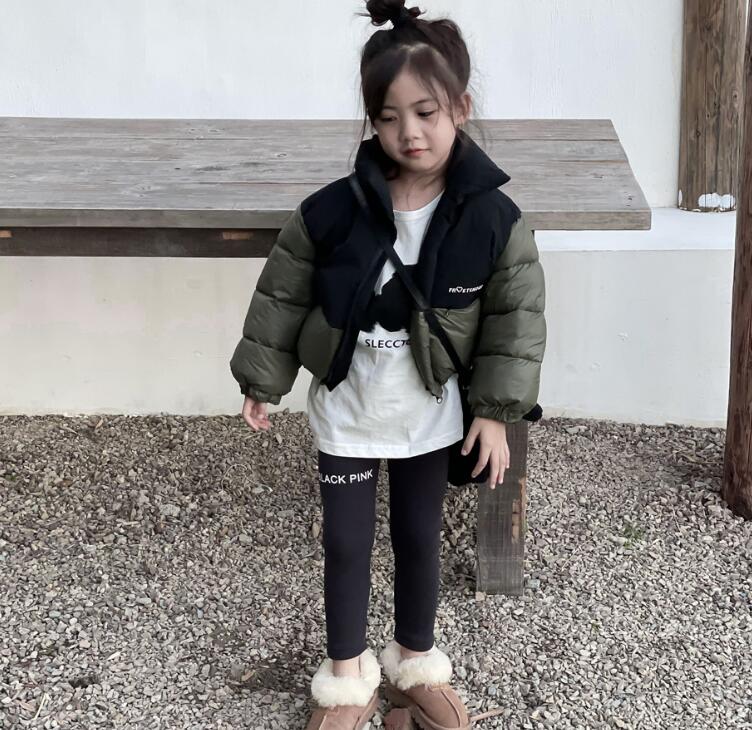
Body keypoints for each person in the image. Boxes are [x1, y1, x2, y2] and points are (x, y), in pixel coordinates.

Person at [229, 1, 547, 727]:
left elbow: (516, 321)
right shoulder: (331, 211)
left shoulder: (494, 220)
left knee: (418, 537)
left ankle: (412, 664)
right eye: (389, 116)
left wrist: (495, 413)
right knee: (345, 543)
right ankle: (346, 678)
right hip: (349, 409)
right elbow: (284, 289)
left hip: (429, 415)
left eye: (427, 112)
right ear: (371, 121)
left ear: (460, 108)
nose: (410, 132)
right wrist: (262, 380)